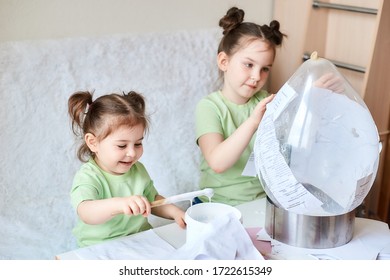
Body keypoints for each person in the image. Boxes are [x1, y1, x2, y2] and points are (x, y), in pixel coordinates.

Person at [195, 7, 344, 207]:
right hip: (215, 203)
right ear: (224, 61)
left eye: (265, 69)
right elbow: (217, 163)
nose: (257, 76)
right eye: (248, 64)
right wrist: (254, 121)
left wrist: (310, 101)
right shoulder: (210, 107)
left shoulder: (266, 101)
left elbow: (295, 147)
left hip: (260, 202)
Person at [68, 90, 185, 247]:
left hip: (139, 240)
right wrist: (119, 204)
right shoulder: (89, 176)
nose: (132, 153)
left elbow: (153, 200)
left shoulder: (138, 170)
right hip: (100, 247)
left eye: (138, 143)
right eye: (122, 145)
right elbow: (86, 212)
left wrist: (176, 213)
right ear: (93, 142)